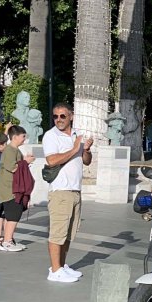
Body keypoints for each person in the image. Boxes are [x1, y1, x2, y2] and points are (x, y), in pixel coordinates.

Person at [42, 103, 93, 283]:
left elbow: (86, 161)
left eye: (62, 116)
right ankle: (55, 270)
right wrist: (73, 149)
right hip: (60, 190)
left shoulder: (76, 135)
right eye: (55, 116)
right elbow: (51, 160)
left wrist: (85, 149)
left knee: (69, 233)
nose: (58, 120)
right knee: (58, 232)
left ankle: (62, 266)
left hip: (75, 190)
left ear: (71, 116)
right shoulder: (51, 136)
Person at [0, 125, 34, 252]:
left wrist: (24, 161)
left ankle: (9, 239)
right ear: (14, 137)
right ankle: (6, 241)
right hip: (11, 189)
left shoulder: (15, 151)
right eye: (23, 136)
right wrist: (26, 162)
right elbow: (12, 167)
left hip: (14, 188)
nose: (24, 139)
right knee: (13, 215)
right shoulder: (9, 150)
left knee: (12, 215)